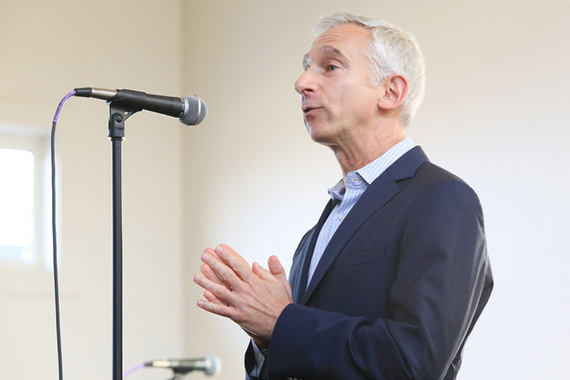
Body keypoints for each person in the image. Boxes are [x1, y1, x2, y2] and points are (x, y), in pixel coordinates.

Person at [193, 12, 493, 380]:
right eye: (305, 68)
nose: (302, 83)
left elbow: (415, 362)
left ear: (391, 92)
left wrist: (283, 322)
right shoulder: (316, 234)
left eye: (330, 67)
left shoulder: (442, 199)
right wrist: (267, 337)